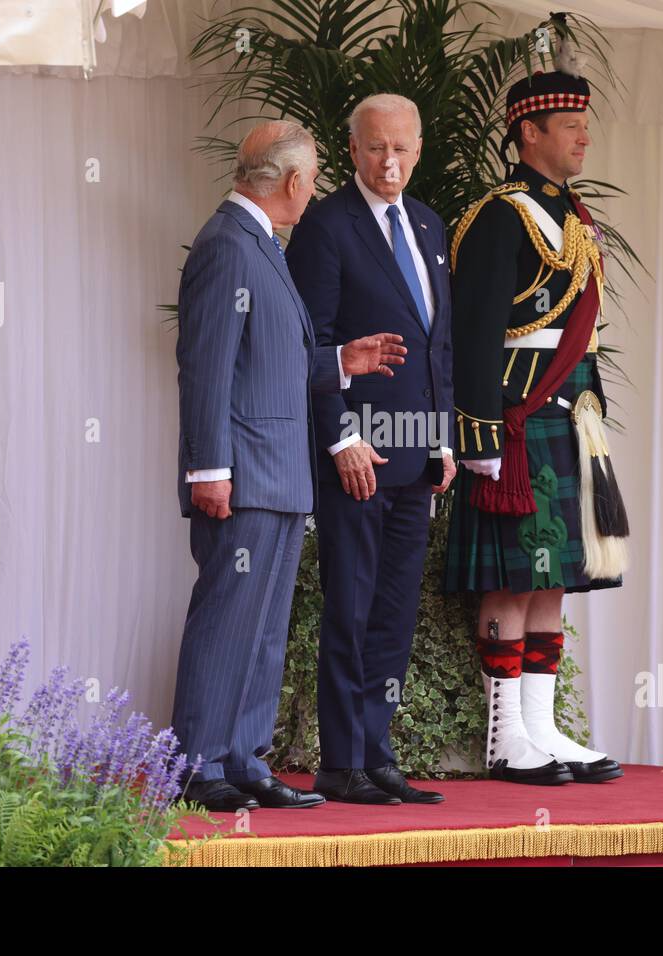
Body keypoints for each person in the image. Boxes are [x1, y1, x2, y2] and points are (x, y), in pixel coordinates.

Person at [171, 120, 408, 812]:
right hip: (242, 475)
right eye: (313, 182)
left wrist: (341, 361)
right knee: (225, 623)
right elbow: (205, 367)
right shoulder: (227, 245)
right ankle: (198, 765)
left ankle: (243, 759)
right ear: (295, 182)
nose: (314, 194)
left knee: (264, 631)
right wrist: (208, 469)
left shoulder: (259, 246)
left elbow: (269, 361)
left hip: (276, 476)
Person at [445, 57, 630, 785]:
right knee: (515, 579)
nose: (584, 138)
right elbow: (477, 329)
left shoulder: (571, 213)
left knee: (555, 579)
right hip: (517, 420)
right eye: (571, 126)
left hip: (571, 414)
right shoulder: (501, 215)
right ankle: (504, 738)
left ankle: (543, 730)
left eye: (587, 125)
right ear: (530, 130)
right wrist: (481, 433)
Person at [286, 94, 454, 806]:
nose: (390, 162)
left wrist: (445, 435)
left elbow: (436, 343)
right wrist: (342, 436)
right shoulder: (326, 228)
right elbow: (312, 343)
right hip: (358, 452)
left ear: (419, 149)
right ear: (352, 149)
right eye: (376, 147)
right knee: (351, 605)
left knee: (393, 611)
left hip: (417, 454)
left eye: (403, 148)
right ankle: (342, 762)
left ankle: (378, 755)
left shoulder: (428, 223)